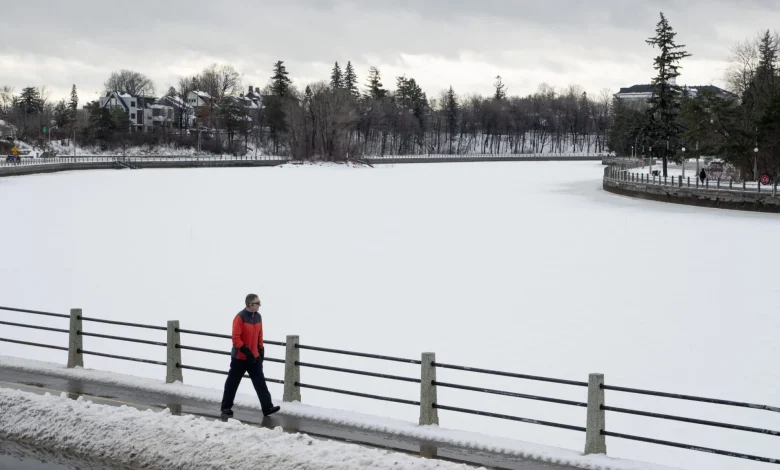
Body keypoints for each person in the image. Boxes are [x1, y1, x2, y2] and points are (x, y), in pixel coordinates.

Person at [220, 294, 280, 417]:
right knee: (232, 383)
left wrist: (261, 350)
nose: (260, 305)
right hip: (240, 358)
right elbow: (236, 338)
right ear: (250, 304)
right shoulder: (239, 318)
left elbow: (260, 335)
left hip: (254, 358)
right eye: (257, 303)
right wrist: (245, 350)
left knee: (260, 383)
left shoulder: (258, 317)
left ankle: (267, 407)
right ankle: (226, 407)